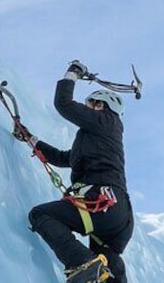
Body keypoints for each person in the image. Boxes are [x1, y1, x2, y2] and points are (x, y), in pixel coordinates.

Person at [15, 61, 134, 282]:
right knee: (108, 260)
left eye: (90, 103)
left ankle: (81, 262)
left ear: (102, 105)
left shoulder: (107, 121)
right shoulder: (98, 139)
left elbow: (64, 103)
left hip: (103, 199)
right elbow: (63, 158)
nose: (86, 107)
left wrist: (72, 74)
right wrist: (30, 139)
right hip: (117, 214)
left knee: (41, 214)